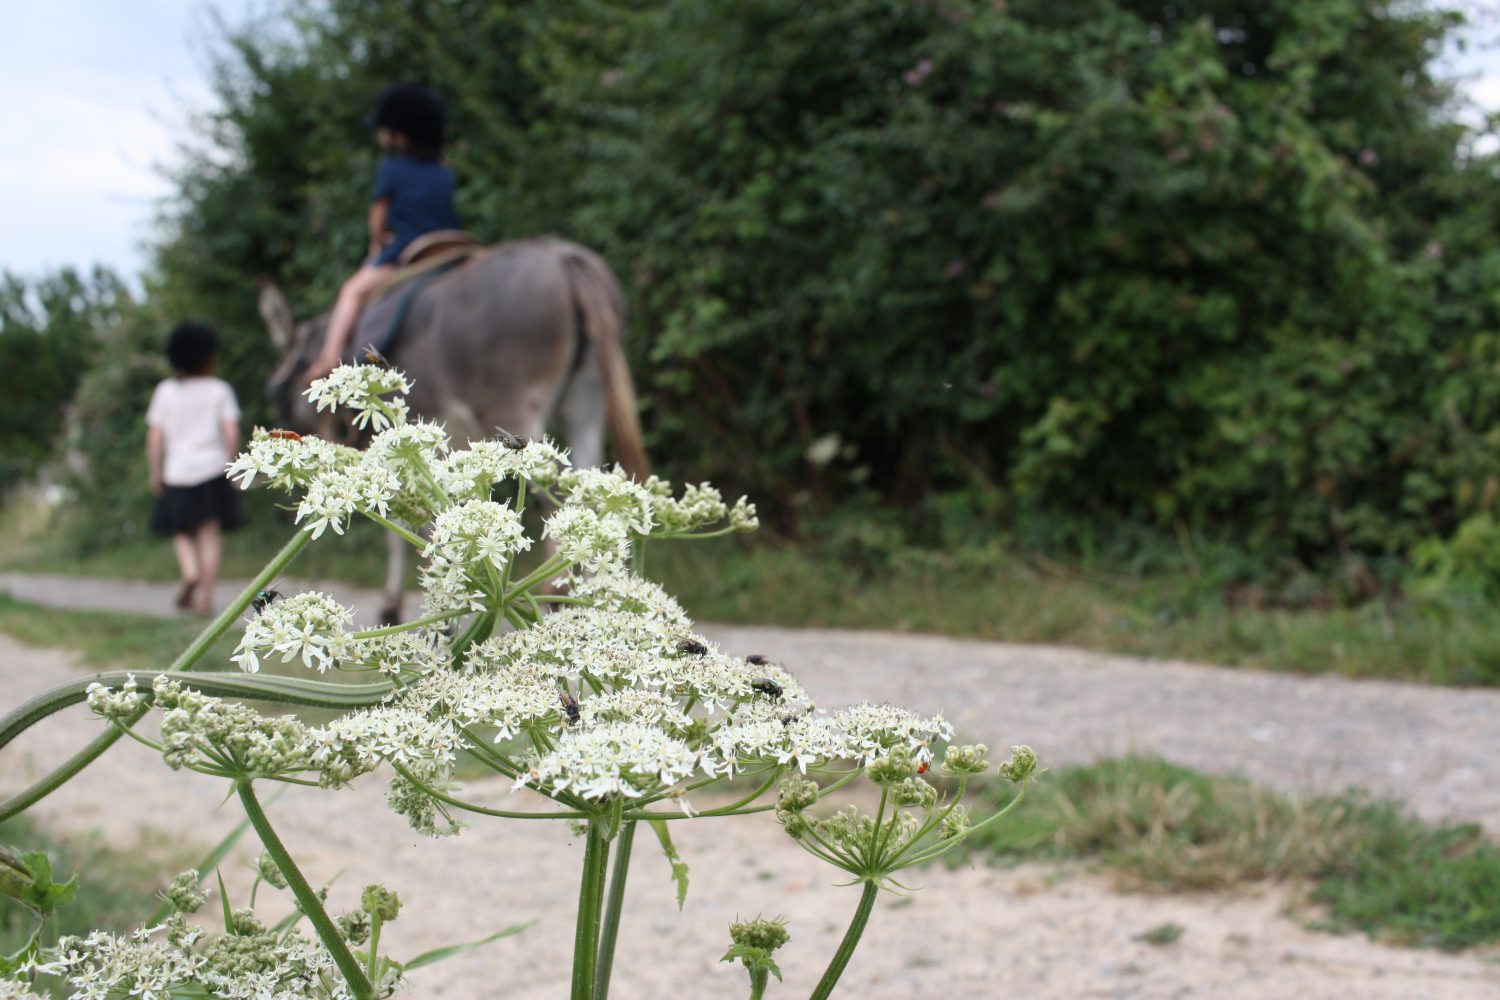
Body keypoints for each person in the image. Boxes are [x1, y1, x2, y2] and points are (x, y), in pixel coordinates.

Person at [309, 82, 460, 378]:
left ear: (399, 134)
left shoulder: (392, 167)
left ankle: (329, 357)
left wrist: (377, 243)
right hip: (450, 245)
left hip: (409, 251)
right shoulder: (443, 169)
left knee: (351, 290)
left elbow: (379, 214)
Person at [146, 320, 242, 615]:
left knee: (180, 530)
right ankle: (206, 598)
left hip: (177, 471)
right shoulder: (220, 390)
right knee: (209, 535)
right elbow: (231, 431)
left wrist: (156, 471)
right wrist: (235, 466)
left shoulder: (165, 391)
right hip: (211, 470)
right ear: (208, 357)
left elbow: (155, 435)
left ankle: (189, 571)